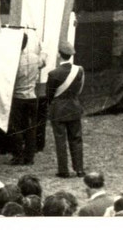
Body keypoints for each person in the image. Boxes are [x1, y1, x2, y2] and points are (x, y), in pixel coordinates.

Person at [46, 40, 84, 178]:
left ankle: (63, 170)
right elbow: (79, 90)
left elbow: (49, 95)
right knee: (76, 138)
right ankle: (79, 169)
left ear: (58, 55)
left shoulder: (53, 74)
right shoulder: (79, 70)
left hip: (58, 109)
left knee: (60, 140)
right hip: (74, 107)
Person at [9, 33, 44, 166]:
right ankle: (29, 156)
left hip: (17, 97)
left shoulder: (13, 61)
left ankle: (17, 155)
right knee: (31, 127)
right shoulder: (34, 58)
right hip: (31, 96)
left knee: (16, 127)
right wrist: (44, 50)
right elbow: (42, 63)